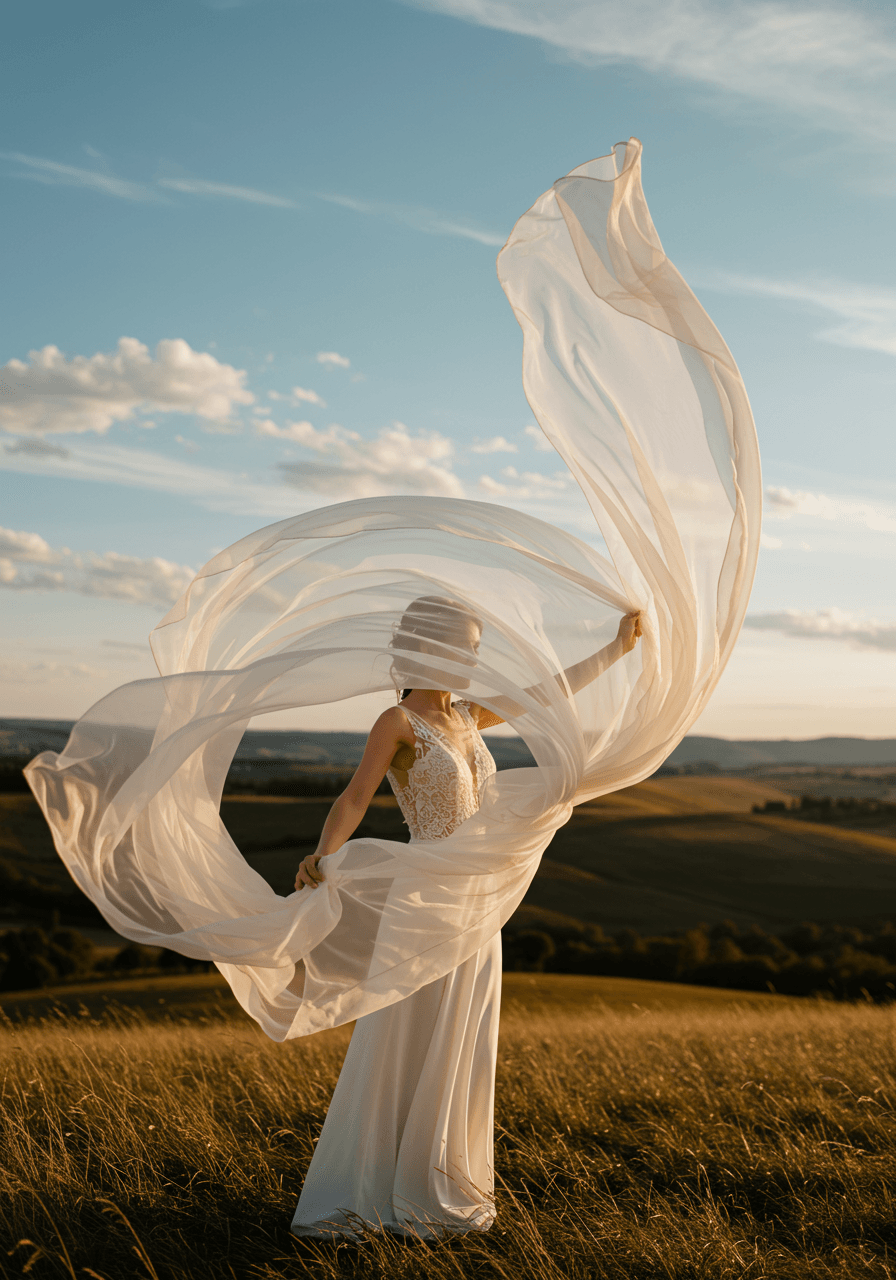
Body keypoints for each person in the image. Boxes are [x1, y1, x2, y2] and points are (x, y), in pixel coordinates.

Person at [290, 595, 642, 1240]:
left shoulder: (469, 717)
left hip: (477, 904)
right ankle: (376, 1189)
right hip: (423, 901)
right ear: (433, 647)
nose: (476, 658)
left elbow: (548, 691)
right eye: (468, 646)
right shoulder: (396, 721)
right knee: (406, 1038)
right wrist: (321, 857)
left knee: (461, 1039)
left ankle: (438, 1177)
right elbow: (355, 796)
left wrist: (618, 649)